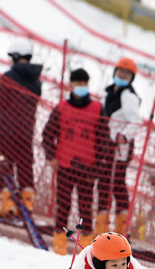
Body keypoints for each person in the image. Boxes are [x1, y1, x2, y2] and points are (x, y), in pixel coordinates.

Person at [42, 68, 105, 255]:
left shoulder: (98, 109)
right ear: (71, 85)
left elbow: (104, 140)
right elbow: (47, 134)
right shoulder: (61, 107)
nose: (81, 86)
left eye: (84, 83)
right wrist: (51, 156)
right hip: (65, 166)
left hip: (88, 169)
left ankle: (85, 251)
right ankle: (59, 246)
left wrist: (99, 166)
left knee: (85, 211)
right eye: (77, 83)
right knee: (63, 207)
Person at [0, 40, 42, 217]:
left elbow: (0, 102)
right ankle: (27, 205)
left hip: (6, 132)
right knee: (25, 169)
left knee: (5, 167)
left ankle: (7, 206)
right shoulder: (36, 81)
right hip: (26, 132)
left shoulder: (7, 78)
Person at [97, 57, 142, 236]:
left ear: (131, 77)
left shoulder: (128, 96)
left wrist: (124, 135)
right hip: (105, 146)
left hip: (119, 149)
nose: (122, 75)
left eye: (126, 73)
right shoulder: (109, 92)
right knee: (104, 184)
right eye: (119, 71)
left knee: (115, 185)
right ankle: (101, 227)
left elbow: (136, 121)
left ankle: (121, 228)